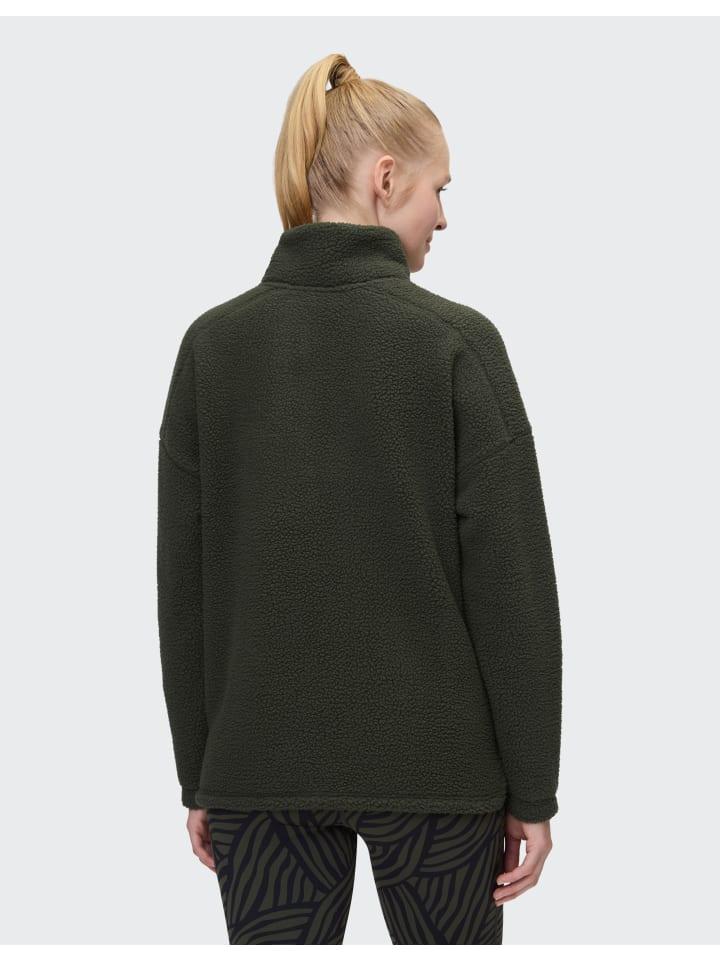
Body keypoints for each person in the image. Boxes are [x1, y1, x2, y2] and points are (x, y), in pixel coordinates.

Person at [156, 52, 562, 946]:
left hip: (258, 774)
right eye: (436, 189)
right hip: (442, 780)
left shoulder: (211, 348)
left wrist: (202, 773)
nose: (443, 215)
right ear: (385, 181)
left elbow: (183, 590)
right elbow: (514, 588)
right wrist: (533, 788)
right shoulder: (456, 344)